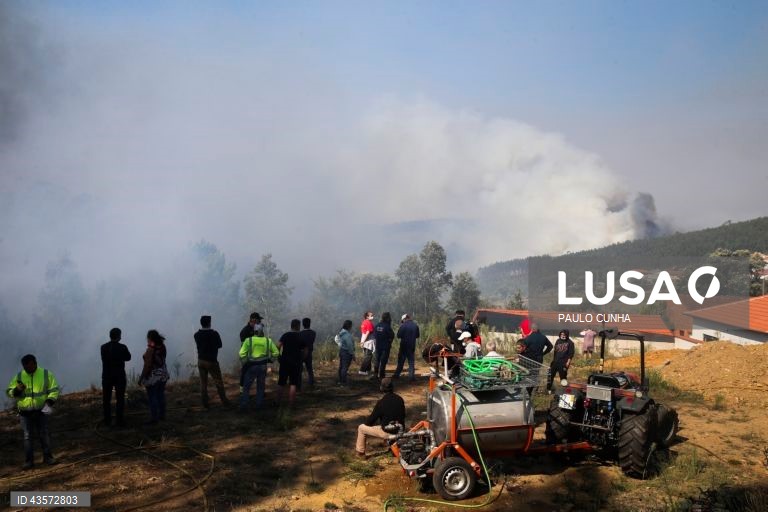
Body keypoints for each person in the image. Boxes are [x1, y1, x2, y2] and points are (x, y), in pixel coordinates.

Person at [6, 354, 60, 469]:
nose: (27, 369)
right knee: (27, 436)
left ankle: (48, 457)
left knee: (44, 433)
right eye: (24, 367)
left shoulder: (46, 374)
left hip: (42, 410)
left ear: (35, 363)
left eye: (29, 366)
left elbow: (54, 390)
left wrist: (49, 403)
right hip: (25, 412)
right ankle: (29, 461)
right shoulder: (20, 376)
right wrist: (16, 391)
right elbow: (9, 391)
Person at [355, 377, 405, 459]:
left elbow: (369, 422)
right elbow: (402, 416)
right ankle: (392, 445)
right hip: (400, 430)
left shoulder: (381, 403)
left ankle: (360, 453)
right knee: (387, 422)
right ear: (392, 387)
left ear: (381, 388)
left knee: (361, 428)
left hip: (388, 432)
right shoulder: (400, 399)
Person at [239, 327, 280, 411]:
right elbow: (276, 353)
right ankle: (259, 405)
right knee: (260, 386)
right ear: (262, 332)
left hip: (251, 366)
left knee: (246, 387)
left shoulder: (248, 340)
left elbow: (241, 353)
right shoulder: (268, 341)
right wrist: (271, 360)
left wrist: (245, 362)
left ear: (254, 331)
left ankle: (244, 405)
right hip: (262, 366)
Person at [194, 315, 230, 409]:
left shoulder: (196, 335)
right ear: (209, 323)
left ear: (201, 323)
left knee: (203, 383)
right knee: (218, 382)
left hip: (200, 360)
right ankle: (225, 402)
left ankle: (205, 403)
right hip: (212, 361)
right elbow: (220, 345)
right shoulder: (214, 334)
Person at [101, 327, 131, 427]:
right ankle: (119, 421)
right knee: (120, 399)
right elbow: (128, 357)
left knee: (106, 399)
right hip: (119, 376)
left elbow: (104, 359)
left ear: (110, 336)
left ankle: (107, 420)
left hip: (107, 376)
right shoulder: (122, 347)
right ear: (119, 336)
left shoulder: (103, 347)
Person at [139, 330, 169, 425]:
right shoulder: (162, 347)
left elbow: (147, 365)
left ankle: (154, 418)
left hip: (153, 376)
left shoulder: (150, 350)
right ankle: (162, 415)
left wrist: (141, 378)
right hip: (163, 374)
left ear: (150, 338)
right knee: (160, 395)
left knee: (152, 397)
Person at [277, 319, 307, 406]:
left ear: (291, 325)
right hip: (296, 363)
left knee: (281, 382)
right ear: (298, 326)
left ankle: (277, 402)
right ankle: (291, 403)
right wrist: (302, 359)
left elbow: (278, 346)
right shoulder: (300, 337)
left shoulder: (285, 335)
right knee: (293, 383)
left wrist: (279, 356)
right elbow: (305, 350)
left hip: (285, 362)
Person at [518, 323, 552, 396]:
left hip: (529, 360)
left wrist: (520, 356)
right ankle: (532, 390)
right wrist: (543, 353)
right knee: (535, 374)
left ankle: (528, 391)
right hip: (539, 360)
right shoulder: (543, 337)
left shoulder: (528, 338)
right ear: (538, 329)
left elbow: (522, 348)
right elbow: (550, 346)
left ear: (532, 329)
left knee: (528, 374)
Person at [547, 329, 575, 393]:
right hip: (555, 362)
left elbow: (571, 354)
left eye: (564, 334)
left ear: (567, 335)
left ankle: (564, 391)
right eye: (561, 334)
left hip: (563, 363)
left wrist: (568, 362)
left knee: (563, 378)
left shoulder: (570, 343)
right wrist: (553, 360)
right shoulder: (558, 340)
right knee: (550, 375)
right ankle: (548, 389)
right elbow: (555, 352)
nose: (563, 335)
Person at [394, 314, 420, 382]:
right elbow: (417, 336)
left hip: (403, 346)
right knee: (411, 362)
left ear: (404, 319)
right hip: (411, 346)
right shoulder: (415, 325)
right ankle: (411, 377)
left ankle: (396, 375)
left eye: (402, 320)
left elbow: (398, 335)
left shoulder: (403, 326)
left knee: (401, 362)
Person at [373, 312, 395, 379]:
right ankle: (382, 375)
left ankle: (375, 375)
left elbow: (374, 335)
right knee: (383, 361)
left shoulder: (377, 325)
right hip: (385, 347)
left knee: (377, 360)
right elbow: (392, 335)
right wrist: (389, 341)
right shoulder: (387, 326)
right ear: (388, 318)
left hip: (378, 346)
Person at [299, 317, 317, 389]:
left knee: (299, 369)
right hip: (309, 352)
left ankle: (299, 384)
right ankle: (311, 383)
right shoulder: (313, 333)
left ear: (302, 324)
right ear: (310, 324)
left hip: (301, 353)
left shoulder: (300, 333)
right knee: (309, 368)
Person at [337, 320, 355, 386]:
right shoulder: (347, 335)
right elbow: (350, 346)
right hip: (347, 353)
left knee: (341, 366)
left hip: (342, 351)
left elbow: (336, 338)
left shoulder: (341, 332)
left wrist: (340, 345)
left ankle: (340, 380)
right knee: (344, 367)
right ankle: (343, 382)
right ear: (349, 326)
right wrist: (353, 354)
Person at [358, 311, 376, 376]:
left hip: (365, 341)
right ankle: (362, 370)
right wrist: (363, 342)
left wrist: (362, 341)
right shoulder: (368, 323)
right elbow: (367, 333)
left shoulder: (364, 322)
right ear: (367, 316)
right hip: (368, 342)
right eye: (371, 315)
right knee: (368, 356)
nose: (373, 316)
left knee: (368, 356)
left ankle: (368, 370)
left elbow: (364, 333)